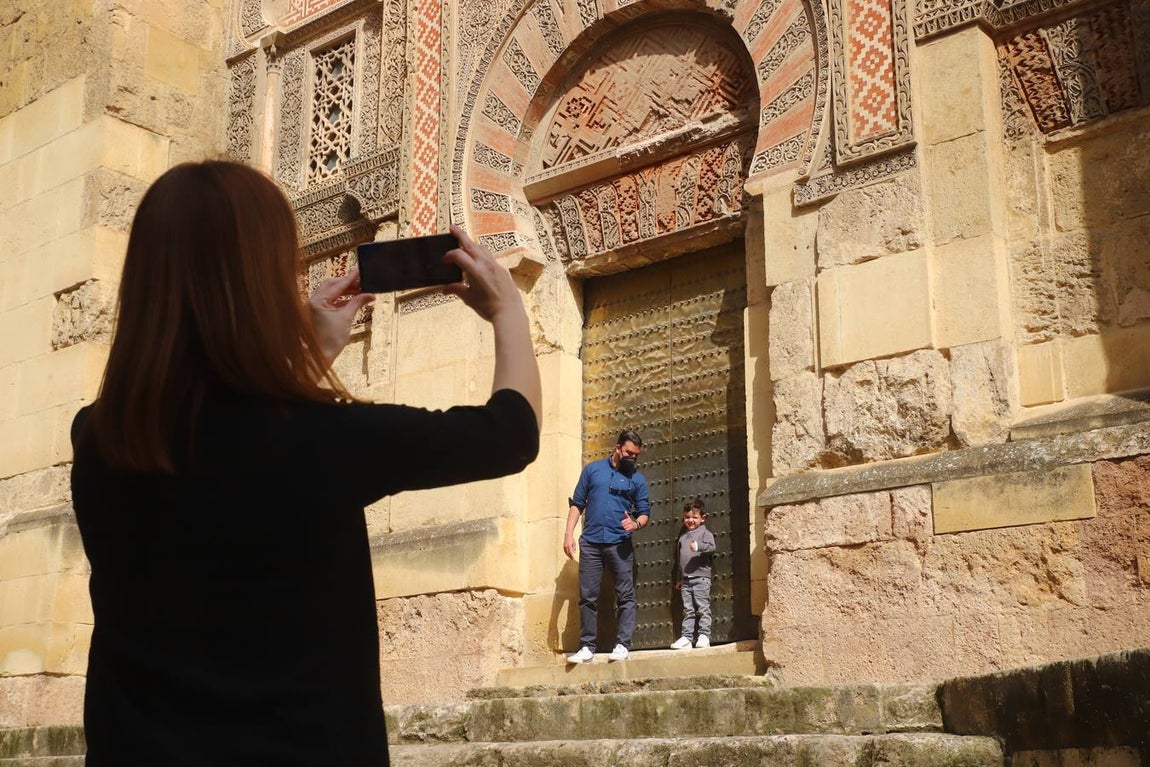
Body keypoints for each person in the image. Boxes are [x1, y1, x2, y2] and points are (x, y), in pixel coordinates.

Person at [69, 160, 541, 767]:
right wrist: (508, 312)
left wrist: (310, 356)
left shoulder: (97, 436)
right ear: (259, 286)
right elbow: (511, 433)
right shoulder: (326, 441)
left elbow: (226, 458)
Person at [563, 429, 651, 663]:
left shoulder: (637, 479)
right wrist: (568, 534)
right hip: (591, 543)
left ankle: (622, 645)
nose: (633, 458)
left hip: (619, 544)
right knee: (587, 597)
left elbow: (644, 513)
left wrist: (636, 524)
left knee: (625, 596)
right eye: (629, 452)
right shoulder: (592, 471)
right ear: (618, 448)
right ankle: (586, 647)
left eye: (637, 455)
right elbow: (577, 503)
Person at [670, 496, 716, 650]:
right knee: (688, 610)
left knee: (703, 608)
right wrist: (679, 579)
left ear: (703, 518)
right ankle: (687, 638)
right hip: (686, 580)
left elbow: (711, 547)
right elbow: (679, 560)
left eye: (694, 517)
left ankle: (704, 636)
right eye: (687, 517)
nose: (690, 520)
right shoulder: (682, 538)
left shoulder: (705, 533)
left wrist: (699, 546)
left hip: (701, 577)